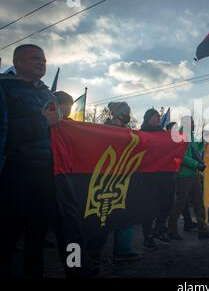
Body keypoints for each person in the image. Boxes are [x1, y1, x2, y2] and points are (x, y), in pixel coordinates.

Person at [0, 44, 81, 278]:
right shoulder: (5, 88)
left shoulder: (47, 94)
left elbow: (55, 128)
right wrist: (43, 122)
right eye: (35, 58)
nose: (41, 62)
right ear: (18, 63)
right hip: (15, 172)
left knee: (38, 231)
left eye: (44, 59)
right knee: (9, 231)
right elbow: (7, 131)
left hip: (47, 172)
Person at [87, 102, 140, 263]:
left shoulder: (129, 131)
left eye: (129, 112)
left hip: (126, 179)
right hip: (106, 180)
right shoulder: (103, 130)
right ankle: (93, 252)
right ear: (117, 114)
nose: (128, 115)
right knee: (104, 219)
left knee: (126, 216)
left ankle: (123, 251)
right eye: (126, 112)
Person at [167, 116, 209, 240]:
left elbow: (195, 152)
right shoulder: (180, 136)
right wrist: (197, 165)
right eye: (192, 123)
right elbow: (181, 156)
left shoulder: (191, 136)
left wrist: (202, 143)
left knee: (199, 202)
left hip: (193, 175)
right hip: (183, 176)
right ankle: (171, 229)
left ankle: (202, 229)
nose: (194, 125)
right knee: (179, 204)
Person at [140, 108, 176, 250]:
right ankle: (147, 237)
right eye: (155, 116)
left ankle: (159, 229)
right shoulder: (142, 133)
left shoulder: (164, 134)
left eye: (158, 116)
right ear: (148, 118)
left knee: (168, 204)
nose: (157, 119)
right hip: (149, 177)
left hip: (166, 175)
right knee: (149, 208)